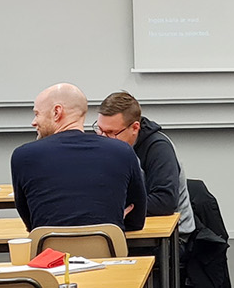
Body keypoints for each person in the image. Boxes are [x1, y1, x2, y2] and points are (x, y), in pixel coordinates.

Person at [11, 83, 146, 232]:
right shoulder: (123, 152)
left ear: (57, 112)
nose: (33, 122)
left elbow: (31, 223)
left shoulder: (23, 156)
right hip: (107, 245)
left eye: (37, 114)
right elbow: (136, 220)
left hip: (48, 246)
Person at [96, 91, 196, 236]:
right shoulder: (104, 147)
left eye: (111, 132)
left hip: (172, 236)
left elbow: (165, 201)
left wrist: (115, 207)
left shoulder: (159, 148)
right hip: (122, 229)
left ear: (135, 128)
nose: (103, 138)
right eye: (99, 130)